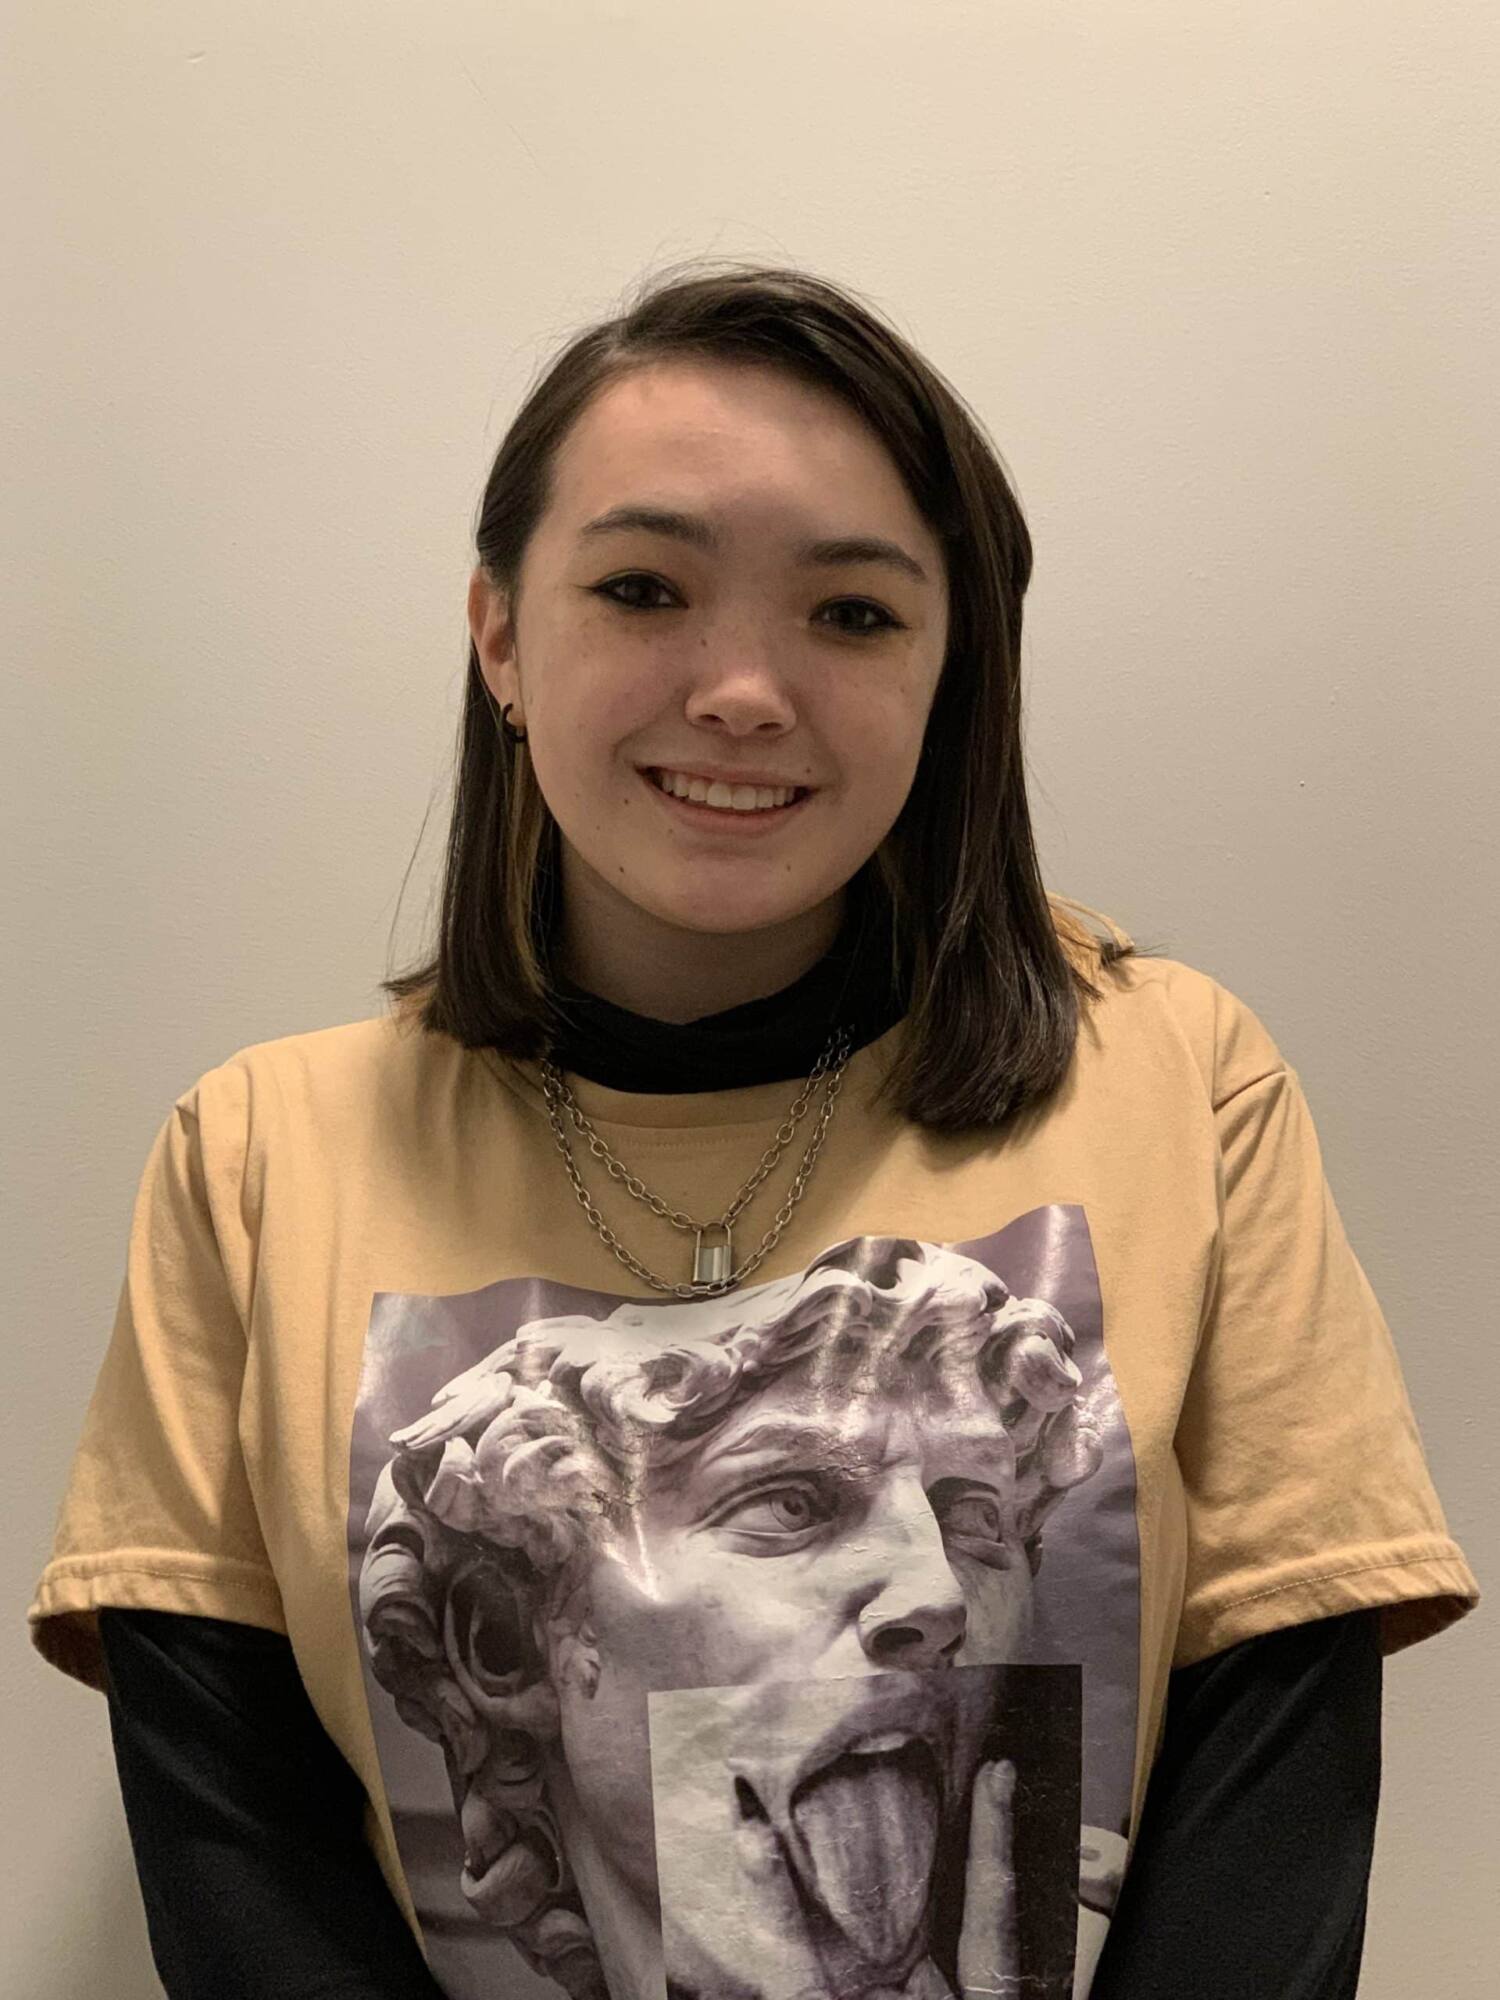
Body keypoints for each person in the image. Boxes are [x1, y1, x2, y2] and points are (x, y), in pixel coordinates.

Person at [28, 261, 1477, 2000]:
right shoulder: (258, 1159)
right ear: (501, 636)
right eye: (644, 588)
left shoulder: (1183, 1085)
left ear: (951, 672)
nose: (742, 690)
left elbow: (1274, 1791)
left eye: (853, 614)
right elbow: (238, 1844)